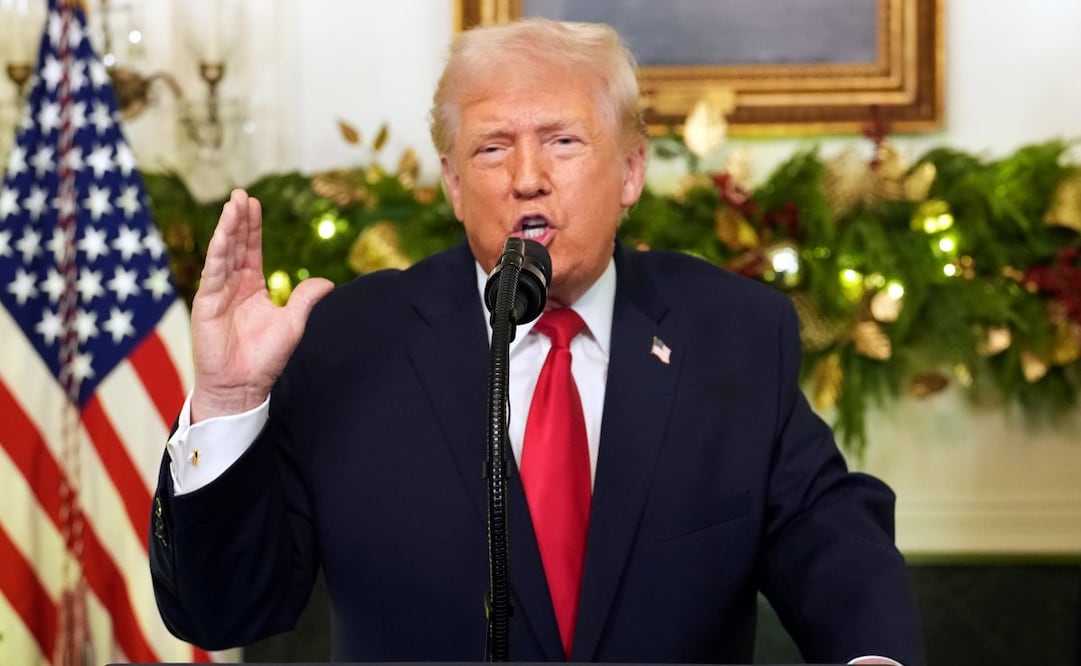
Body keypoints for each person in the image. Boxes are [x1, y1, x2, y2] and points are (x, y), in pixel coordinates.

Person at [149, 18, 925, 665]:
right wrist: (229, 399)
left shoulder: (730, 331)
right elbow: (226, 614)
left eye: (561, 142)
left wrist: (870, 654)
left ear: (628, 171)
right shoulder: (350, 342)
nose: (527, 178)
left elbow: (824, 528)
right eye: (491, 149)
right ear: (454, 186)